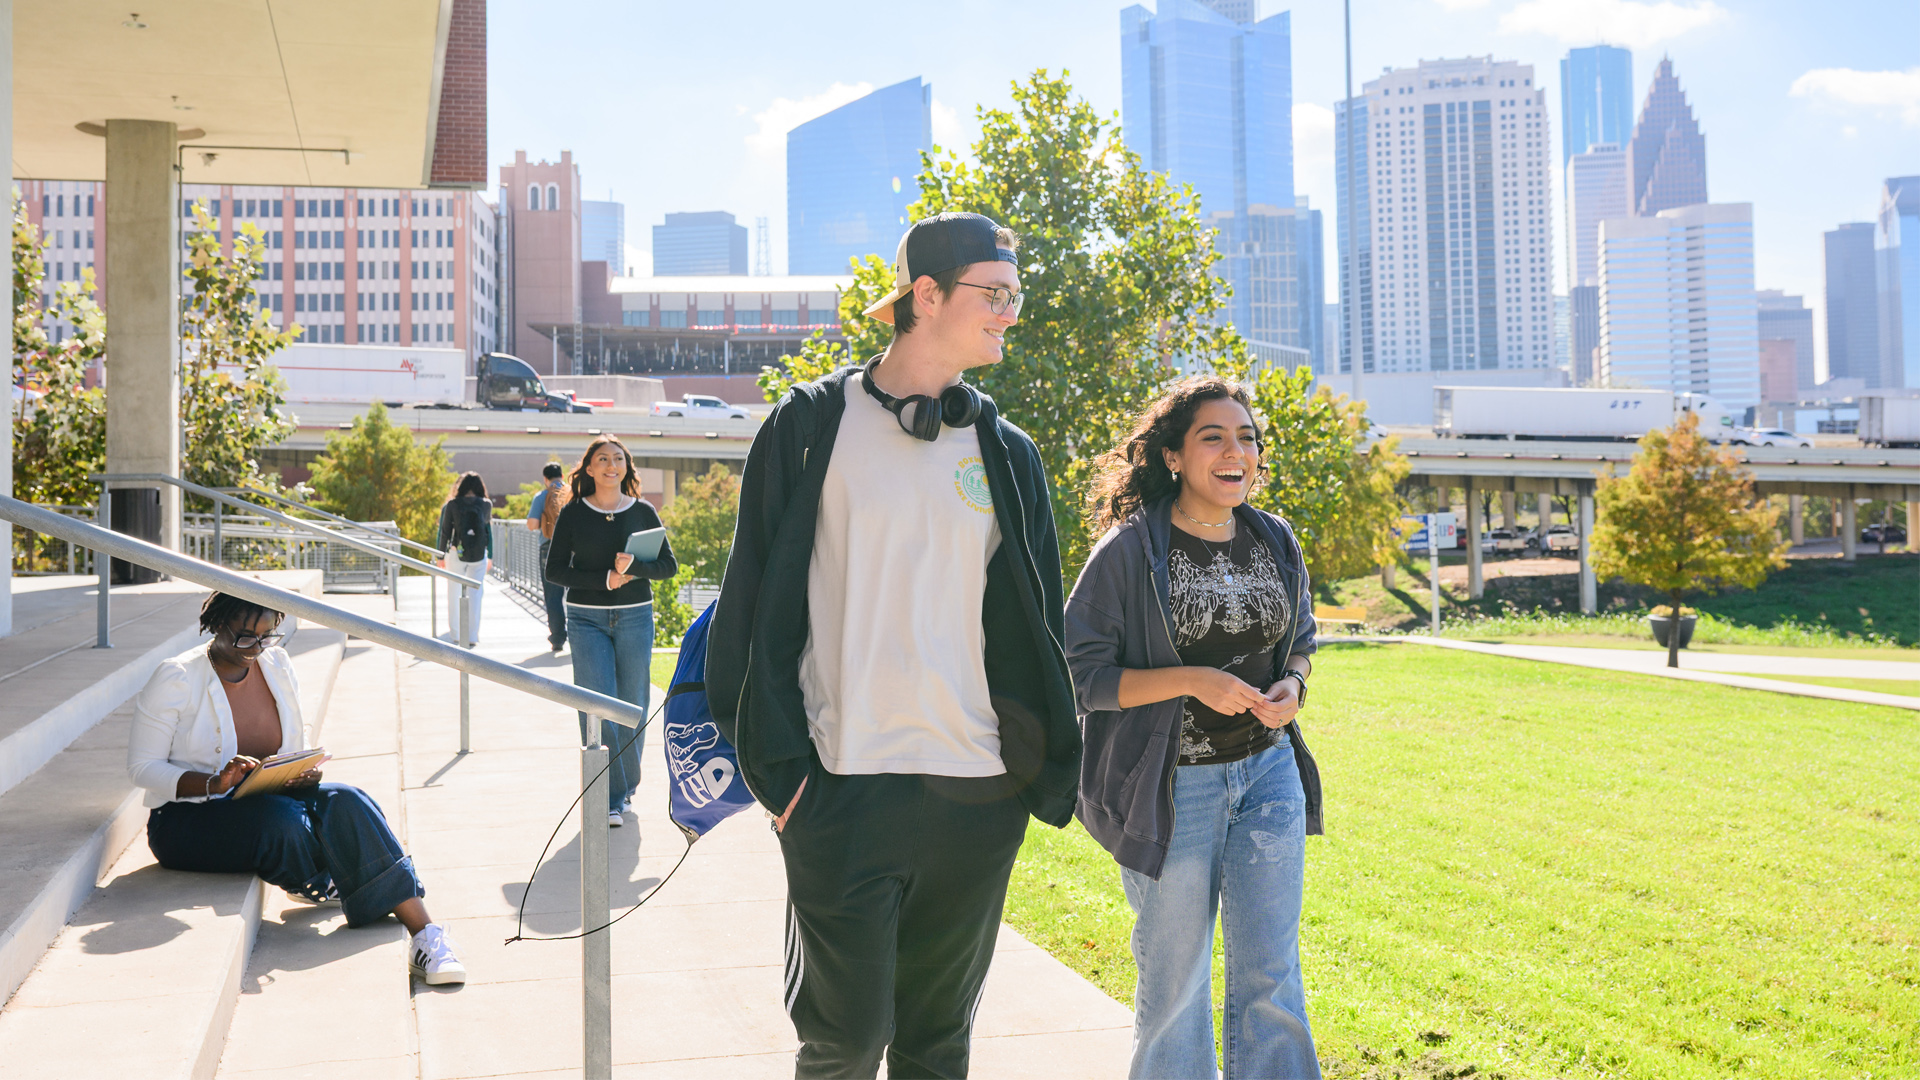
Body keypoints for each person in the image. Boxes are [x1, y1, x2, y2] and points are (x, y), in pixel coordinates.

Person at [708, 212, 1081, 1079]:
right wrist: (785, 780)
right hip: (840, 787)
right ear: (926, 294)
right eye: (996, 294)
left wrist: (1026, 771)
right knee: (841, 1043)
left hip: (977, 793)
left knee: (936, 1047)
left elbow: (1034, 626)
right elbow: (753, 601)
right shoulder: (807, 428)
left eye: (1016, 295)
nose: (1012, 313)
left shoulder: (1005, 454)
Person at [1064, 376, 1323, 1080]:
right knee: (1177, 985)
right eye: (1214, 436)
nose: (1237, 451)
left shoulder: (1275, 539)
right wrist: (1190, 681)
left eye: (1248, 438)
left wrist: (1292, 686)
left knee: (1272, 975)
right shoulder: (1128, 553)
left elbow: (1302, 636)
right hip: (1172, 788)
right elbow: (1085, 677)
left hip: (1268, 773)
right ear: (1173, 456)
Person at [128, 592, 466, 985]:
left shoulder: (276, 664)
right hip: (187, 820)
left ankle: (426, 938)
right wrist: (212, 782)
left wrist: (302, 771)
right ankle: (339, 877)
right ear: (217, 624)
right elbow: (141, 768)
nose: (255, 648)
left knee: (348, 800)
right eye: (244, 636)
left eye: (267, 635)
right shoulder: (177, 677)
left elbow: (293, 742)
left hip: (265, 797)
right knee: (283, 821)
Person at [544, 435, 677, 827]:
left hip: (636, 616)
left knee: (632, 706)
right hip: (586, 620)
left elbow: (667, 566)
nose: (610, 465)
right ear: (589, 469)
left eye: (618, 458)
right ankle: (609, 797)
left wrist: (634, 568)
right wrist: (602, 579)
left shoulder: (644, 512)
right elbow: (555, 571)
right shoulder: (573, 514)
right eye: (602, 459)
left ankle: (625, 788)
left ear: (626, 468)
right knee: (596, 706)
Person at [436, 472, 492, 645]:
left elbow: (445, 532)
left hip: (456, 553)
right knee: (475, 594)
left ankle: (457, 634)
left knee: (454, 592)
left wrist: (440, 555)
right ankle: (473, 636)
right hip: (478, 555)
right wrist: (490, 554)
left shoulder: (452, 504)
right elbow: (488, 531)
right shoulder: (486, 505)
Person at [525, 462, 570, 653]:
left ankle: (558, 638)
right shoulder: (571, 493)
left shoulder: (542, 496)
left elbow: (532, 524)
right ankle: (578, 634)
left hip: (548, 548)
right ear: (562, 475)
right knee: (577, 590)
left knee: (553, 595)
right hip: (574, 548)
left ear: (545, 479)